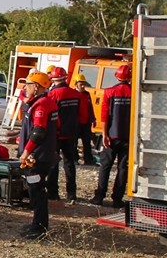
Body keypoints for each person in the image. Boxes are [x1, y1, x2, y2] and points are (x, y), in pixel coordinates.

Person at [17, 70, 58, 239]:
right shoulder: (42, 102)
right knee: (36, 190)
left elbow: (39, 132)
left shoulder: (42, 105)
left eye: (28, 84)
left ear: (36, 86)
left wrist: (26, 151)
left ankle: (39, 228)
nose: (25, 87)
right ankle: (37, 224)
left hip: (38, 157)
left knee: (37, 190)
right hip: (41, 155)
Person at [92, 63, 133, 209]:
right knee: (123, 168)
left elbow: (104, 115)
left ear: (117, 75)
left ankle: (99, 197)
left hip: (111, 136)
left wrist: (104, 134)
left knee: (105, 166)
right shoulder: (134, 92)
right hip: (129, 138)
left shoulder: (109, 92)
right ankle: (117, 199)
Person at [47, 66, 83, 204]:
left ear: (53, 79)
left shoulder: (52, 95)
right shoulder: (75, 94)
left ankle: (53, 193)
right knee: (70, 164)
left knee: (53, 163)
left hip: (56, 134)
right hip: (71, 134)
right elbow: (81, 115)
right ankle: (71, 194)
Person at [73, 73, 99, 166]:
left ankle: (88, 160)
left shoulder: (87, 94)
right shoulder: (72, 94)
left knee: (87, 142)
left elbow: (90, 107)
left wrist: (93, 119)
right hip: (76, 123)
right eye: (81, 84)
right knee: (74, 142)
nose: (83, 86)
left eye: (84, 84)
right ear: (76, 84)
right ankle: (74, 159)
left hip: (86, 122)